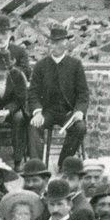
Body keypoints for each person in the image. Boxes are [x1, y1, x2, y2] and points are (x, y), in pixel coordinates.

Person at [27, 26, 88, 166]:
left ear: (65, 44)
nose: (53, 46)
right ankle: (37, 167)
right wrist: (37, 112)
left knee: (80, 127)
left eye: (58, 42)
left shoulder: (75, 65)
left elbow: (83, 93)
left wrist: (79, 111)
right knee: (33, 126)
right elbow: (33, 93)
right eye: (52, 43)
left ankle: (63, 164)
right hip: (47, 112)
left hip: (68, 112)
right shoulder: (40, 66)